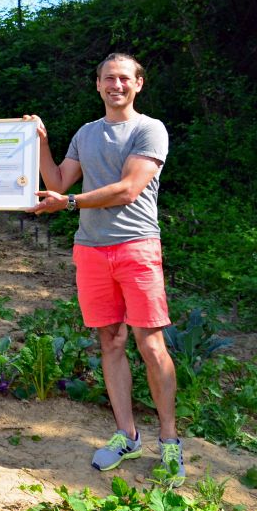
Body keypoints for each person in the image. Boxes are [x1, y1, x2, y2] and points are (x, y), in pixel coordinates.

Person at [27, 53, 183, 486]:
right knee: (110, 341)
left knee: (151, 345)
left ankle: (169, 439)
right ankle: (127, 435)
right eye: (107, 79)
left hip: (136, 247)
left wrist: (70, 203)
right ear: (97, 85)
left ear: (138, 84)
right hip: (91, 250)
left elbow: (129, 189)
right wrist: (40, 142)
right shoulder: (86, 133)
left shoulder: (149, 129)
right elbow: (58, 182)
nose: (116, 85)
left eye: (123, 78)